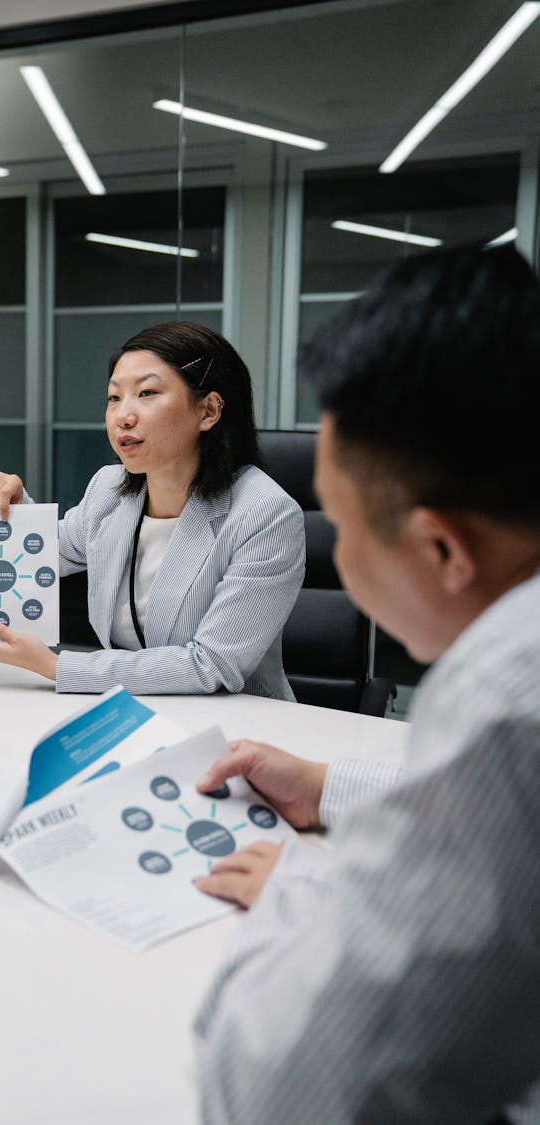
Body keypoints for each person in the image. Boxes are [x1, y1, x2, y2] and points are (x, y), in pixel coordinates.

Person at [192, 244, 540, 1124]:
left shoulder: (507, 683)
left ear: (441, 551)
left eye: (342, 528)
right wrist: (326, 786)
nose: (339, 562)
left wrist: (300, 897)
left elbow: (290, 1087)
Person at [0, 321, 305, 697]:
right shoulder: (109, 490)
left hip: (239, 728)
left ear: (209, 410)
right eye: (114, 398)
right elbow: (42, 556)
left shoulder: (266, 514)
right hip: (128, 713)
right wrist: (12, 508)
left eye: (146, 393)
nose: (123, 416)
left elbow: (211, 666)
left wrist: (56, 666)